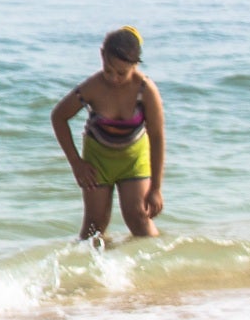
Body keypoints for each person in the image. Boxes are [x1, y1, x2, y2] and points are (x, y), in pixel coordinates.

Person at [50, 26, 166, 240]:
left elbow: (157, 137)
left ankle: (156, 268)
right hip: (97, 163)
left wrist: (156, 187)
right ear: (102, 55)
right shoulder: (93, 87)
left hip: (133, 161)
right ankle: (91, 270)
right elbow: (58, 116)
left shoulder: (145, 90)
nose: (113, 78)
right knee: (94, 226)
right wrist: (76, 163)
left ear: (135, 64)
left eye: (121, 73)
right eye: (108, 69)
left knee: (139, 218)